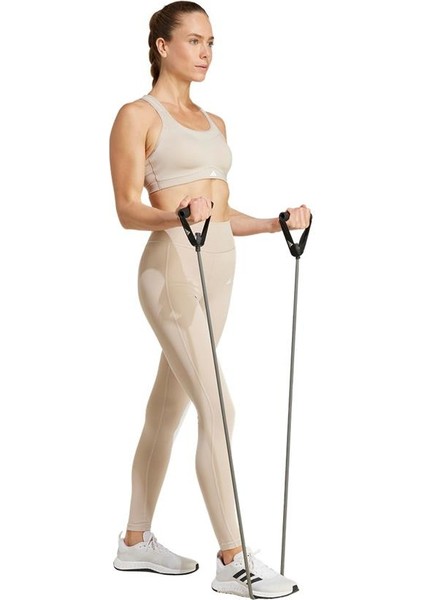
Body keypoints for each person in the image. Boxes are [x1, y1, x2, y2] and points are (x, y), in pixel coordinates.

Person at [109, 2, 310, 597]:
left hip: (218, 267)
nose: (206, 52)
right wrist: (176, 213)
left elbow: (218, 211)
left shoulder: (214, 121)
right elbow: (127, 209)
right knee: (219, 407)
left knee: (168, 408)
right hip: (171, 268)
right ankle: (233, 557)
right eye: (194, 40)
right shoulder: (136, 115)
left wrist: (272, 223)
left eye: (212, 42)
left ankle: (134, 542)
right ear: (162, 46)